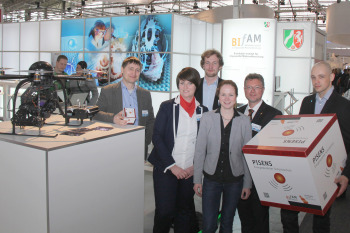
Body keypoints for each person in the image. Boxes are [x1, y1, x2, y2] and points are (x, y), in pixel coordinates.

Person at [280, 61, 350, 233]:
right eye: (313, 77)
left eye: (321, 77)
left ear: (332, 77)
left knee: (321, 220)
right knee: (288, 211)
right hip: (303, 168)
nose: (316, 81)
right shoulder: (307, 101)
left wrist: (346, 175)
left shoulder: (343, 106)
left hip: (327, 170)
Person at [148, 67, 208, 233]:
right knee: (164, 212)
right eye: (182, 83)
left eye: (190, 83)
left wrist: (194, 168)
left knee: (184, 212)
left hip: (189, 170)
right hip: (166, 168)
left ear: (197, 86)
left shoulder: (203, 111)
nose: (186, 87)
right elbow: (157, 137)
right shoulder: (167, 107)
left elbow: (204, 144)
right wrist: (172, 166)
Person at [193, 80, 252, 233]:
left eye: (231, 94)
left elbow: (247, 154)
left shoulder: (244, 121)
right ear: (218, 96)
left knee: (227, 223)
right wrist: (197, 179)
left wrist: (247, 183)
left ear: (236, 97)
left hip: (235, 180)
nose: (227, 98)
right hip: (211, 179)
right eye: (223, 94)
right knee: (208, 224)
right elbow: (200, 150)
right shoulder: (207, 118)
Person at [237, 73, 282, 233]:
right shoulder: (237, 112)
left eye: (256, 87)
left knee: (260, 219)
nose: (252, 91)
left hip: (261, 175)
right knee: (244, 218)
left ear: (263, 89)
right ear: (244, 90)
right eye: (249, 87)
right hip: (240, 174)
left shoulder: (274, 114)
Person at [94, 56, 154, 160]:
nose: (134, 73)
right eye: (130, 69)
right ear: (122, 70)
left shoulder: (145, 94)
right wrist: (113, 118)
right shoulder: (107, 91)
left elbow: (150, 120)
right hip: (114, 147)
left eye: (137, 70)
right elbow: (95, 114)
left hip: (138, 147)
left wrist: (145, 141)